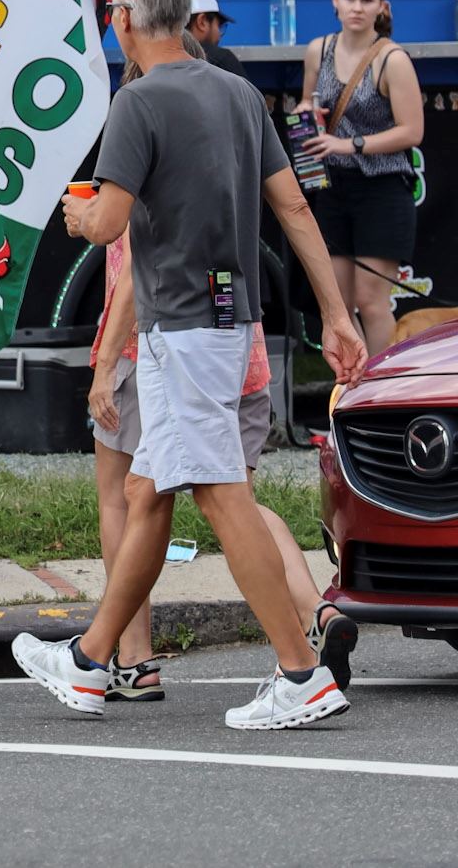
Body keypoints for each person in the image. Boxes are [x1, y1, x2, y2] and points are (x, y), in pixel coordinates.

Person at [13, 0, 367, 732]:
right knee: (150, 492)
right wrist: (337, 315)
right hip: (231, 317)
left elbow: (107, 224)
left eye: (114, 14)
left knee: (218, 493)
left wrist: (76, 217)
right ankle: (89, 661)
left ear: (129, 20)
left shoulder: (138, 102)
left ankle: (300, 673)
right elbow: (295, 211)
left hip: (181, 326)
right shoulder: (239, 93)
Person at [92, 216, 361, 699]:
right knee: (234, 502)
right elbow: (294, 208)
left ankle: (130, 658)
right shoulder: (235, 149)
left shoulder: (157, 150)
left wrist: (91, 222)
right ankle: (313, 611)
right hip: (240, 351)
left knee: (124, 498)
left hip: (158, 348)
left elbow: (134, 260)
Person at [296, 0, 424, 356]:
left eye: (366, 0)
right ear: (335, 0)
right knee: (338, 305)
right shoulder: (319, 49)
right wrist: (306, 117)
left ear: (380, 7)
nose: (356, 7)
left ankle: (383, 391)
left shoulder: (392, 59)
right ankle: (352, 388)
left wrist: (349, 144)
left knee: (372, 301)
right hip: (332, 188)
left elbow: (412, 132)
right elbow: (309, 103)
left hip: (382, 188)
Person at [186, 0, 246, 80]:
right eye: (219, 25)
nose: (219, 34)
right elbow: (248, 95)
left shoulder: (156, 62)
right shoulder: (221, 60)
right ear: (202, 22)